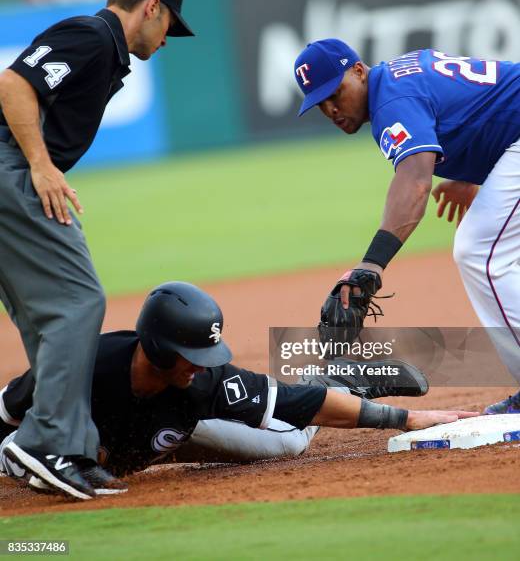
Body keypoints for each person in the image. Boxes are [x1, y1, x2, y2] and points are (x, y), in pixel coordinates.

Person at [0, 0, 195, 500]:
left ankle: (65, 449)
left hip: (11, 173)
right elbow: (14, 82)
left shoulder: (105, 51)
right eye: (169, 24)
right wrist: (39, 164)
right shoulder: (90, 34)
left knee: (49, 316)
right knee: (79, 300)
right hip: (10, 170)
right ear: (151, 7)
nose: (168, 39)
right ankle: (47, 444)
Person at [0, 282, 477, 495]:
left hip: (174, 432)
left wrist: (410, 420)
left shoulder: (202, 382)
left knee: (289, 443)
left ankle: (344, 376)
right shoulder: (77, 368)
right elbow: (9, 410)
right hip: (141, 437)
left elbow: (298, 403)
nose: (203, 366)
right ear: (157, 349)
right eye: (192, 355)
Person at [293, 39, 520, 415]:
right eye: (320, 102)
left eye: (335, 92)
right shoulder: (400, 76)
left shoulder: (389, 102)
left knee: (480, 252)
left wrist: (372, 265)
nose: (331, 108)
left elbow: (415, 182)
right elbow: (481, 101)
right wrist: (474, 169)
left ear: (358, 71)